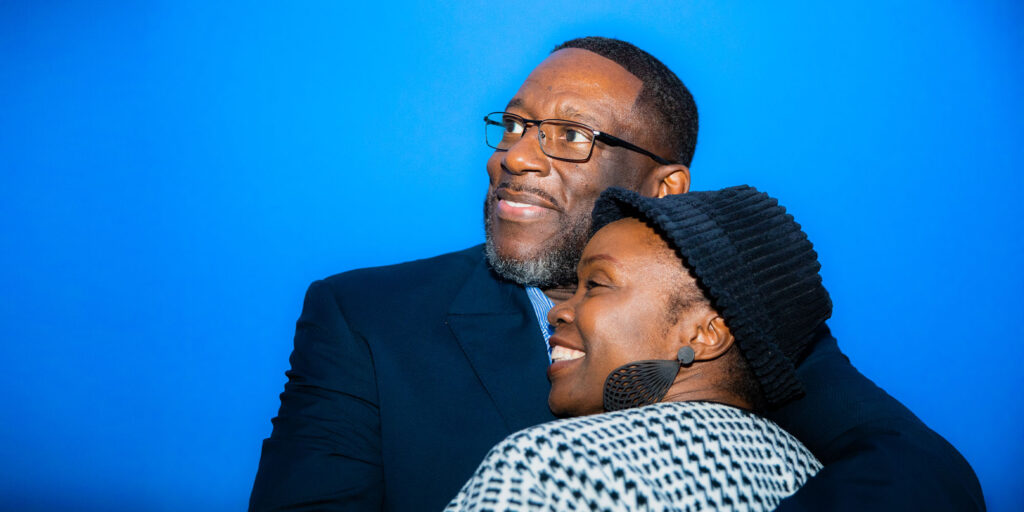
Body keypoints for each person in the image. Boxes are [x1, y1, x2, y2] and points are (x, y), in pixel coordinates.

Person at [250, 37, 985, 511]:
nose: (515, 156)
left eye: (570, 136)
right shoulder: (366, 316)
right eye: (512, 125)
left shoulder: (736, 316)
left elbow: (923, 475)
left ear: (664, 188)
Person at [446, 185, 830, 511]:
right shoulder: (808, 475)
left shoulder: (557, 464)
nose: (557, 312)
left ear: (704, 334)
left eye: (596, 284)